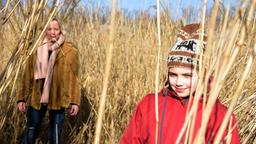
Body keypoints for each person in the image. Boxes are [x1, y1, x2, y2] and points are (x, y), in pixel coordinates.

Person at [120, 23, 240, 144]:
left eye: (187, 76)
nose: (179, 82)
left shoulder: (219, 115)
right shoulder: (150, 104)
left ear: (203, 75)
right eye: (173, 75)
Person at [17, 18, 80, 144]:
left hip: (59, 98)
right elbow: (27, 75)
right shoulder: (36, 48)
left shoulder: (70, 51)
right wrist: (21, 98)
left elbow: (74, 78)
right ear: (45, 30)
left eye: (56, 29)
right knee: (31, 133)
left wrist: (75, 102)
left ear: (60, 30)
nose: (53, 32)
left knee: (55, 137)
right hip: (37, 98)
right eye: (49, 29)